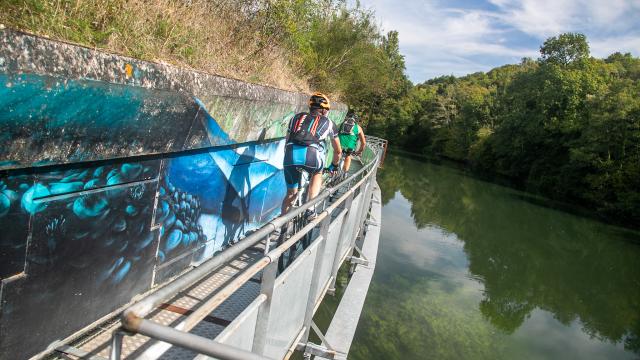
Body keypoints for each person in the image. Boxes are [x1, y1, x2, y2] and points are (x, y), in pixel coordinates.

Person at [281, 92, 342, 219]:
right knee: (317, 173)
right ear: (324, 111)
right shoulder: (329, 123)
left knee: (291, 193)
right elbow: (338, 151)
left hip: (290, 156)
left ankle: (281, 227)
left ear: (310, 107)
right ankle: (310, 208)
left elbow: (287, 141)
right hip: (311, 157)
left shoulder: (295, 118)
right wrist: (333, 166)